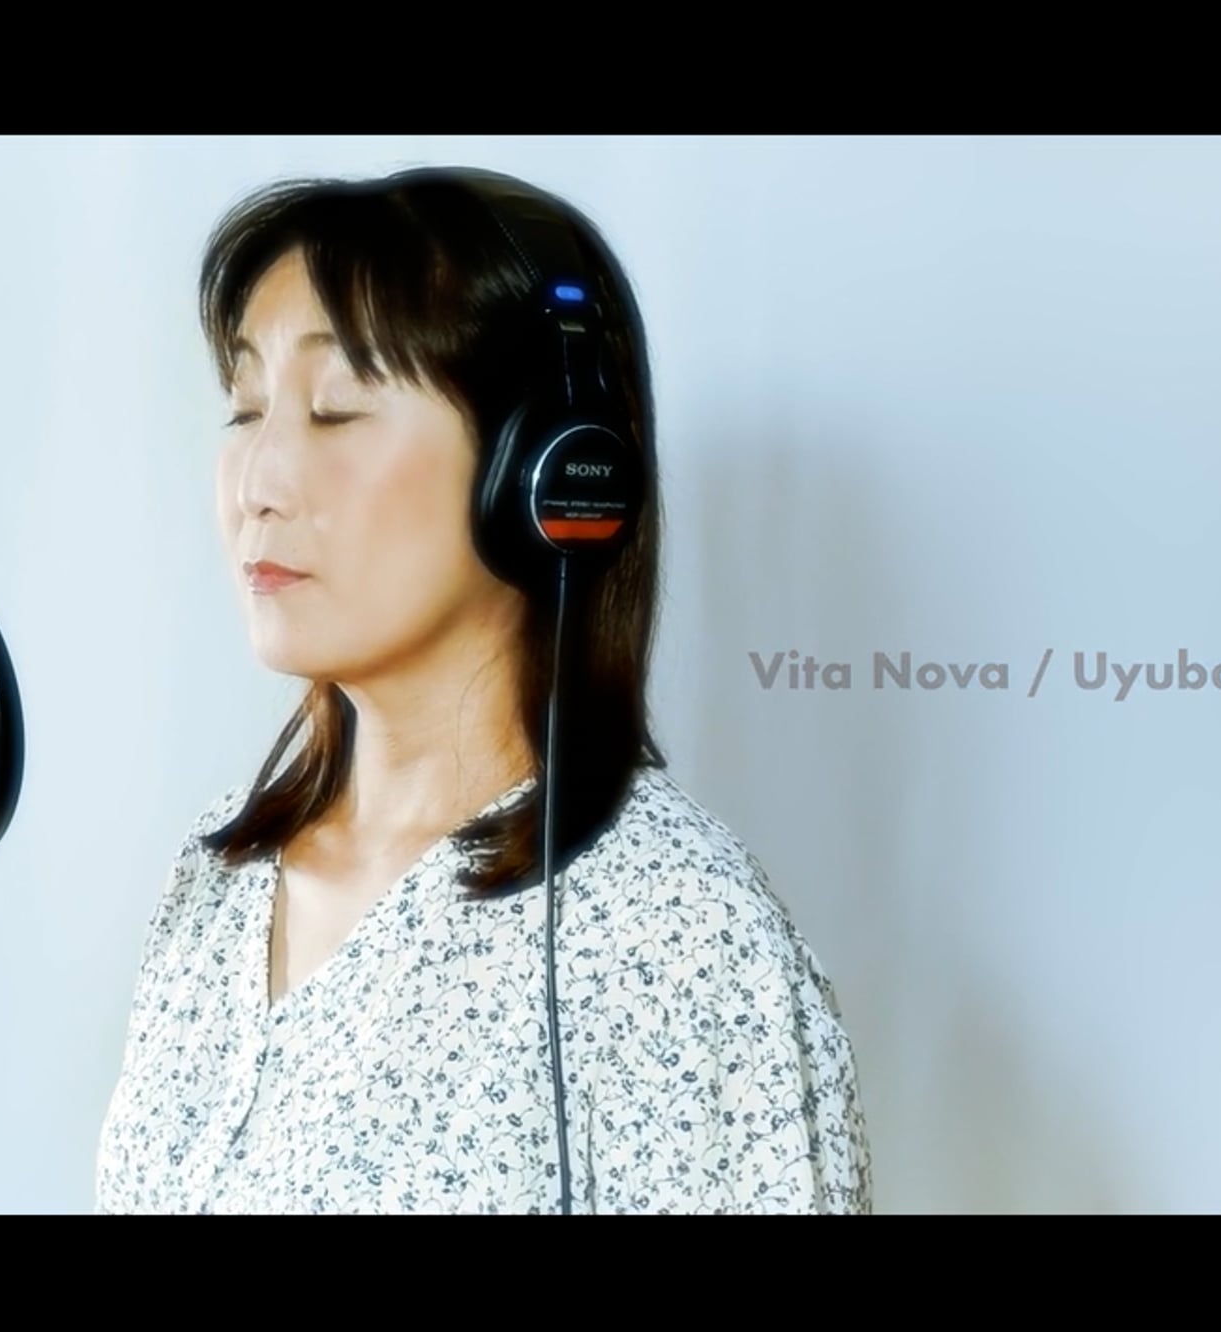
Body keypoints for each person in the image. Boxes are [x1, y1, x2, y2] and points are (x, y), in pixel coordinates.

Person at [95, 165, 871, 1214]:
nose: (259, 485)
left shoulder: (677, 939)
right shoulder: (216, 879)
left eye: (335, 410)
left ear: (542, 474)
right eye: (244, 410)